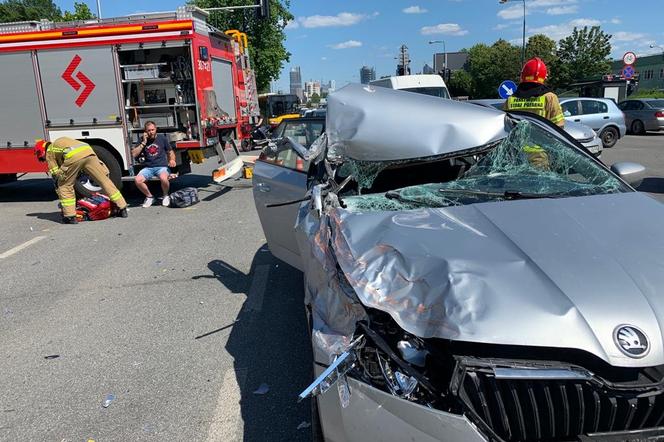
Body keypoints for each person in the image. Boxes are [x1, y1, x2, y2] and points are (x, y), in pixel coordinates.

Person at [34, 137, 128, 224]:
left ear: (41, 152)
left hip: (73, 156)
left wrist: (59, 181)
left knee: (65, 186)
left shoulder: (49, 151)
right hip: (88, 152)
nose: (43, 160)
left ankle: (70, 216)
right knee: (104, 181)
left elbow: (56, 173)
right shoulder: (59, 143)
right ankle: (122, 207)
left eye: (42, 159)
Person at [504, 57, 565, 128]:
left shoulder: (510, 99)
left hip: (517, 139)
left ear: (522, 76)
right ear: (544, 77)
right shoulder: (550, 97)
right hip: (541, 138)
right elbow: (559, 126)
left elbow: (505, 126)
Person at [132, 121, 176, 207]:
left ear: (156, 129)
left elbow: (170, 151)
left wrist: (172, 160)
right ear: (145, 131)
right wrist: (143, 143)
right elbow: (134, 154)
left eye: (152, 130)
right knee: (137, 180)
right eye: (148, 130)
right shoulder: (142, 140)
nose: (151, 132)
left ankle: (165, 196)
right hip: (148, 168)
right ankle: (150, 197)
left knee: (163, 178)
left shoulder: (162, 138)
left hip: (161, 167)